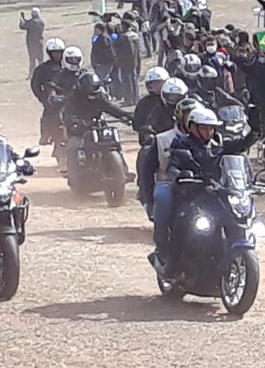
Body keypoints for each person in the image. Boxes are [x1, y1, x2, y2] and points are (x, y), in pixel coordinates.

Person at [151, 106, 255, 277]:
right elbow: (173, 166)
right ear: (192, 127)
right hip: (193, 194)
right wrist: (182, 176)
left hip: (218, 195)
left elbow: (240, 146)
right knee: (183, 222)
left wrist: (254, 131)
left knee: (235, 219)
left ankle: (231, 255)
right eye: (205, 128)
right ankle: (172, 266)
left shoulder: (218, 143)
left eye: (211, 128)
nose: (209, 132)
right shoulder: (182, 144)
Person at [61, 71, 132, 186]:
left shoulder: (98, 96)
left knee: (112, 142)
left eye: (94, 88)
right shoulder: (73, 99)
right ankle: (74, 176)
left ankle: (123, 170)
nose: (91, 91)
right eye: (89, 89)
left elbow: (109, 107)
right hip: (79, 130)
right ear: (82, 89)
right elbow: (67, 113)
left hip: (97, 126)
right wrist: (74, 121)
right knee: (75, 146)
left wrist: (125, 115)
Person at [30, 38, 67, 145]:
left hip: (67, 98)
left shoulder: (67, 66)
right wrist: (43, 98)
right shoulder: (42, 69)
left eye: (59, 52)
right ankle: (45, 135)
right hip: (50, 99)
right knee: (48, 115)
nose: (57, 55)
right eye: (54, 52)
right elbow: (35, 85)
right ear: (49, 53)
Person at [133, 67, 173, 137]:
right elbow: (137, 124)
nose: (155, 86)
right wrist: (146, 130)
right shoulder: (144, 103)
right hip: (152, 140)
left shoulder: (172, 100)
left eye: (158, 82)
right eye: (152, 83)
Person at [19, 8, 45, 76]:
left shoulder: (30, 23)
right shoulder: (41, 22)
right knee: (40, 60)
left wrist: (22, 21)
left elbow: (22, 26)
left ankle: (31, 74)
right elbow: (31, 23)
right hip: (39, 43)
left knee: (32, 60)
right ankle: (42, 73)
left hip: (31, 44)